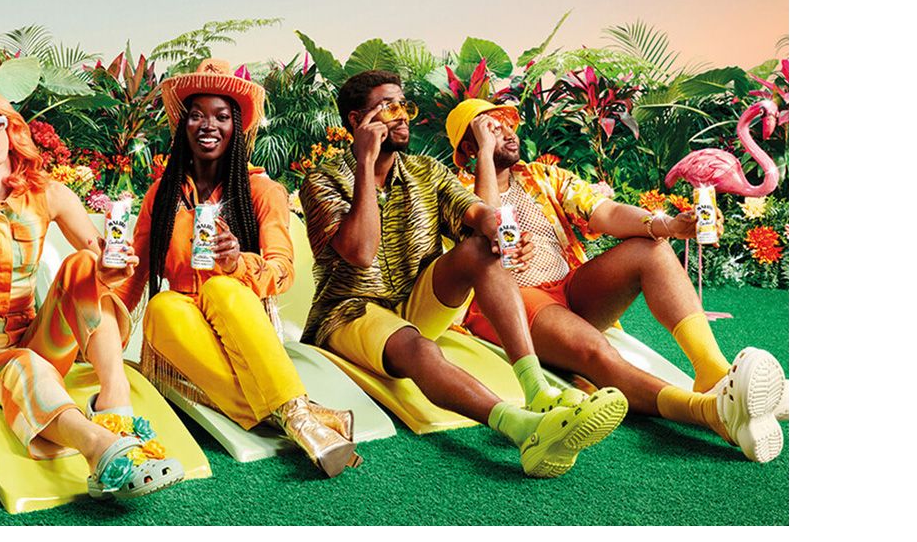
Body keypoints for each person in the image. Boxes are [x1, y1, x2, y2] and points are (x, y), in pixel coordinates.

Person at [299, 70, 628, 478]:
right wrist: (365, 164)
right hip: (349, 311)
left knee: (479, 249)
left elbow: (476, 213)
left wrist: (503, 233)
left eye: (404, 106)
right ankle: (523, 429)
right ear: (356, 121)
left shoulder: (427, 171)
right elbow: (361, 253)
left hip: (416, 300)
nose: (402, 116)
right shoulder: (322, 180)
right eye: (389, 108)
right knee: (418, 348)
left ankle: (537, 392)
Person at [448, 98, 788, 463]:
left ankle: (715, 374)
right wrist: (485, 153)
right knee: (595, 350)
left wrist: (668, 224)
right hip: (511, 305)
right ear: (469, 146)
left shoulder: (541, 176)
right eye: (490, 128)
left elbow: (604, 211)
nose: (505, 131)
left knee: (652, 249)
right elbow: (487, 224)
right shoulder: (455, 190)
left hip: (567, 288)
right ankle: (709, 412)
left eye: (507, 123)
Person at [0, 83, 183, 500]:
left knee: (84, 265)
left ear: (7, 123)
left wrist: (112, 266)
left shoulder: (47, 192)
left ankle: (115, 403)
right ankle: (99, 448)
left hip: (29, 337)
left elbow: (102, 267)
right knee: (22, 364)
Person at [112, 59, 360, 477]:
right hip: (181, 330)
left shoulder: (261, 189)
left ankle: (297, 419)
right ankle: (309, 416)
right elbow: (135, 273)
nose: (208, 125)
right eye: (196, 115)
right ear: (183, 126)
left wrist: (237, 262)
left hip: (242, 321)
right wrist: (104, 336)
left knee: (221, 289)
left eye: (221, 116)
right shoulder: (162, 192)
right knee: (163, 305)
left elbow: (283, 270)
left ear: (237, 127)